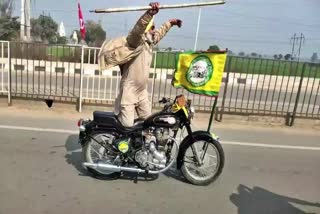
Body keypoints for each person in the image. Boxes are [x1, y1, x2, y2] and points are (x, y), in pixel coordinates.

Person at [101, 2, 182, 127]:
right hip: (129, 91)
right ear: (146, 29)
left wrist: (170, 23)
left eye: (154, 28)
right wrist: (149, 14)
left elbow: (159, 34)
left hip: (142, 92)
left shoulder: (150, 42)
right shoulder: (135, 42)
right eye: (152, 28)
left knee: (149, 123)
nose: (154, 31)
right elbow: (138, 29)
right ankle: (119, 144)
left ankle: (142, 145)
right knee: (126, 126)